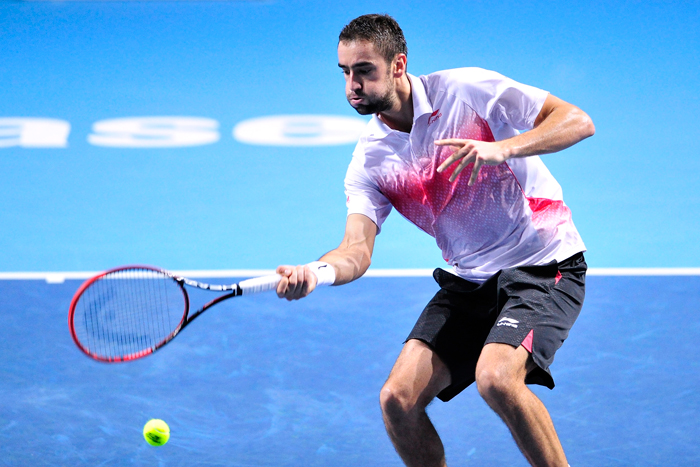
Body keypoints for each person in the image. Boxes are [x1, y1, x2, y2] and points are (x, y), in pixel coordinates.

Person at [275, 13, 594, 467]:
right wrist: (318, 272)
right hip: (469, 283)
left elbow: (578, 120)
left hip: (544, 265)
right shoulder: (370, 161)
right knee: (397, 400)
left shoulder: (468, 90)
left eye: (364, 70)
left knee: (498, 379)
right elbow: (356, 250)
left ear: (398, 65)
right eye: (345, 72)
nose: (352, 85)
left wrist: (504, 147)